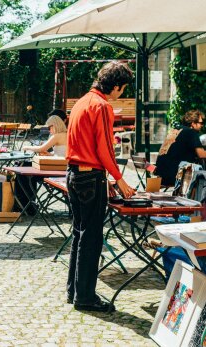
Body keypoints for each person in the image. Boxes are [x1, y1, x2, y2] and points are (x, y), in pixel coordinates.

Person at [66, 61, 135, 313]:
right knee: (91, 237)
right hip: (89, 177)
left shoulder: (81, 102)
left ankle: (74, 291)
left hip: (73, 174)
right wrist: (120, 179)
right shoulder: (102, 106)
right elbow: (105, 148)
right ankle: (85, 297)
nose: (122, 93)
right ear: (115, 86)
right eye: (123, 88)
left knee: (79, 233)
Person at [155, 110, 206, 186]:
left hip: (161, 174)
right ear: (193, 123)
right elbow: (202, 155)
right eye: (200, 123)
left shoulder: (175, 130)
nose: (202, 125)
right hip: (175, 176)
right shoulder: (191, 132)